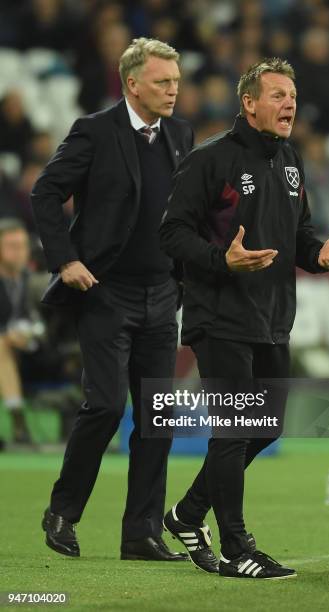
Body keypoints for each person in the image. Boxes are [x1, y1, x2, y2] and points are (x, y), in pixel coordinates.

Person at [160, 58, 329, 579]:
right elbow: (172, 233)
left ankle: (186, 514)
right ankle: (236, 548)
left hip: (271, 318)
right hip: (218, 315)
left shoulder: (290, 160)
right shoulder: (211, 160)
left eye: (292, 94)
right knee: (234, 428)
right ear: (249, 103)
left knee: (263, 427)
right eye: (278, 94)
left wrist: (320, 256)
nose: (289, 103)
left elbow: (299, 236)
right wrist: (222, 260)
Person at [31, 38, 193, 562]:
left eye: (176, 81)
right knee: (104, 404)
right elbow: (45, 192)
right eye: (163, 82)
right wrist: (65, 259)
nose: (174, 90)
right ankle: (63, 510)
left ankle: (141, 533)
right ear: (132, 84)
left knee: (157, 416)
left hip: (162, 293)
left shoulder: (180, 135)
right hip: (107, 292)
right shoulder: (95, 131)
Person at [0, 218, 40, 445]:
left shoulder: (30, 279)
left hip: (32, 353)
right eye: (12, 247)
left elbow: (42, 320)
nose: (20, 253)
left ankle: (17, 417)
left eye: (23, 246)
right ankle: (18, 420)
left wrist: (30, 333)